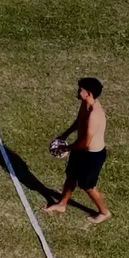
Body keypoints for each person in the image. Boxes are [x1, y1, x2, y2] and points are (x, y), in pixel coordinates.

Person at [45, 77, 111, 223]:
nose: (78, 91)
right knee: (71, 176)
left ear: (88, 93)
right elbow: (79, 120)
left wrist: (66, 147)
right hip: (81, 149)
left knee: (87, 185)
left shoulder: (95, 114)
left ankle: (104, 212)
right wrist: (65, 134)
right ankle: (62, 204)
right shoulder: (85, 103)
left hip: (92, 155)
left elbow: (85, 143)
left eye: (80, 89)